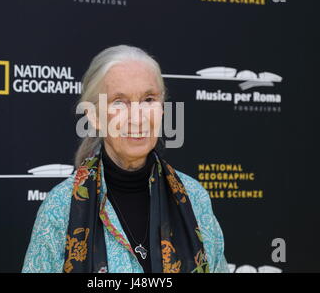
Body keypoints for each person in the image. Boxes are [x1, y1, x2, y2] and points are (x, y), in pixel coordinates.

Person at [22, 44, 229, 273]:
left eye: (148, 99)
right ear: (94, 116)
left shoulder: (194, 198)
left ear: (162, 109)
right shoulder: (61, 208)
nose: (137, 118)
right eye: (119, 102)